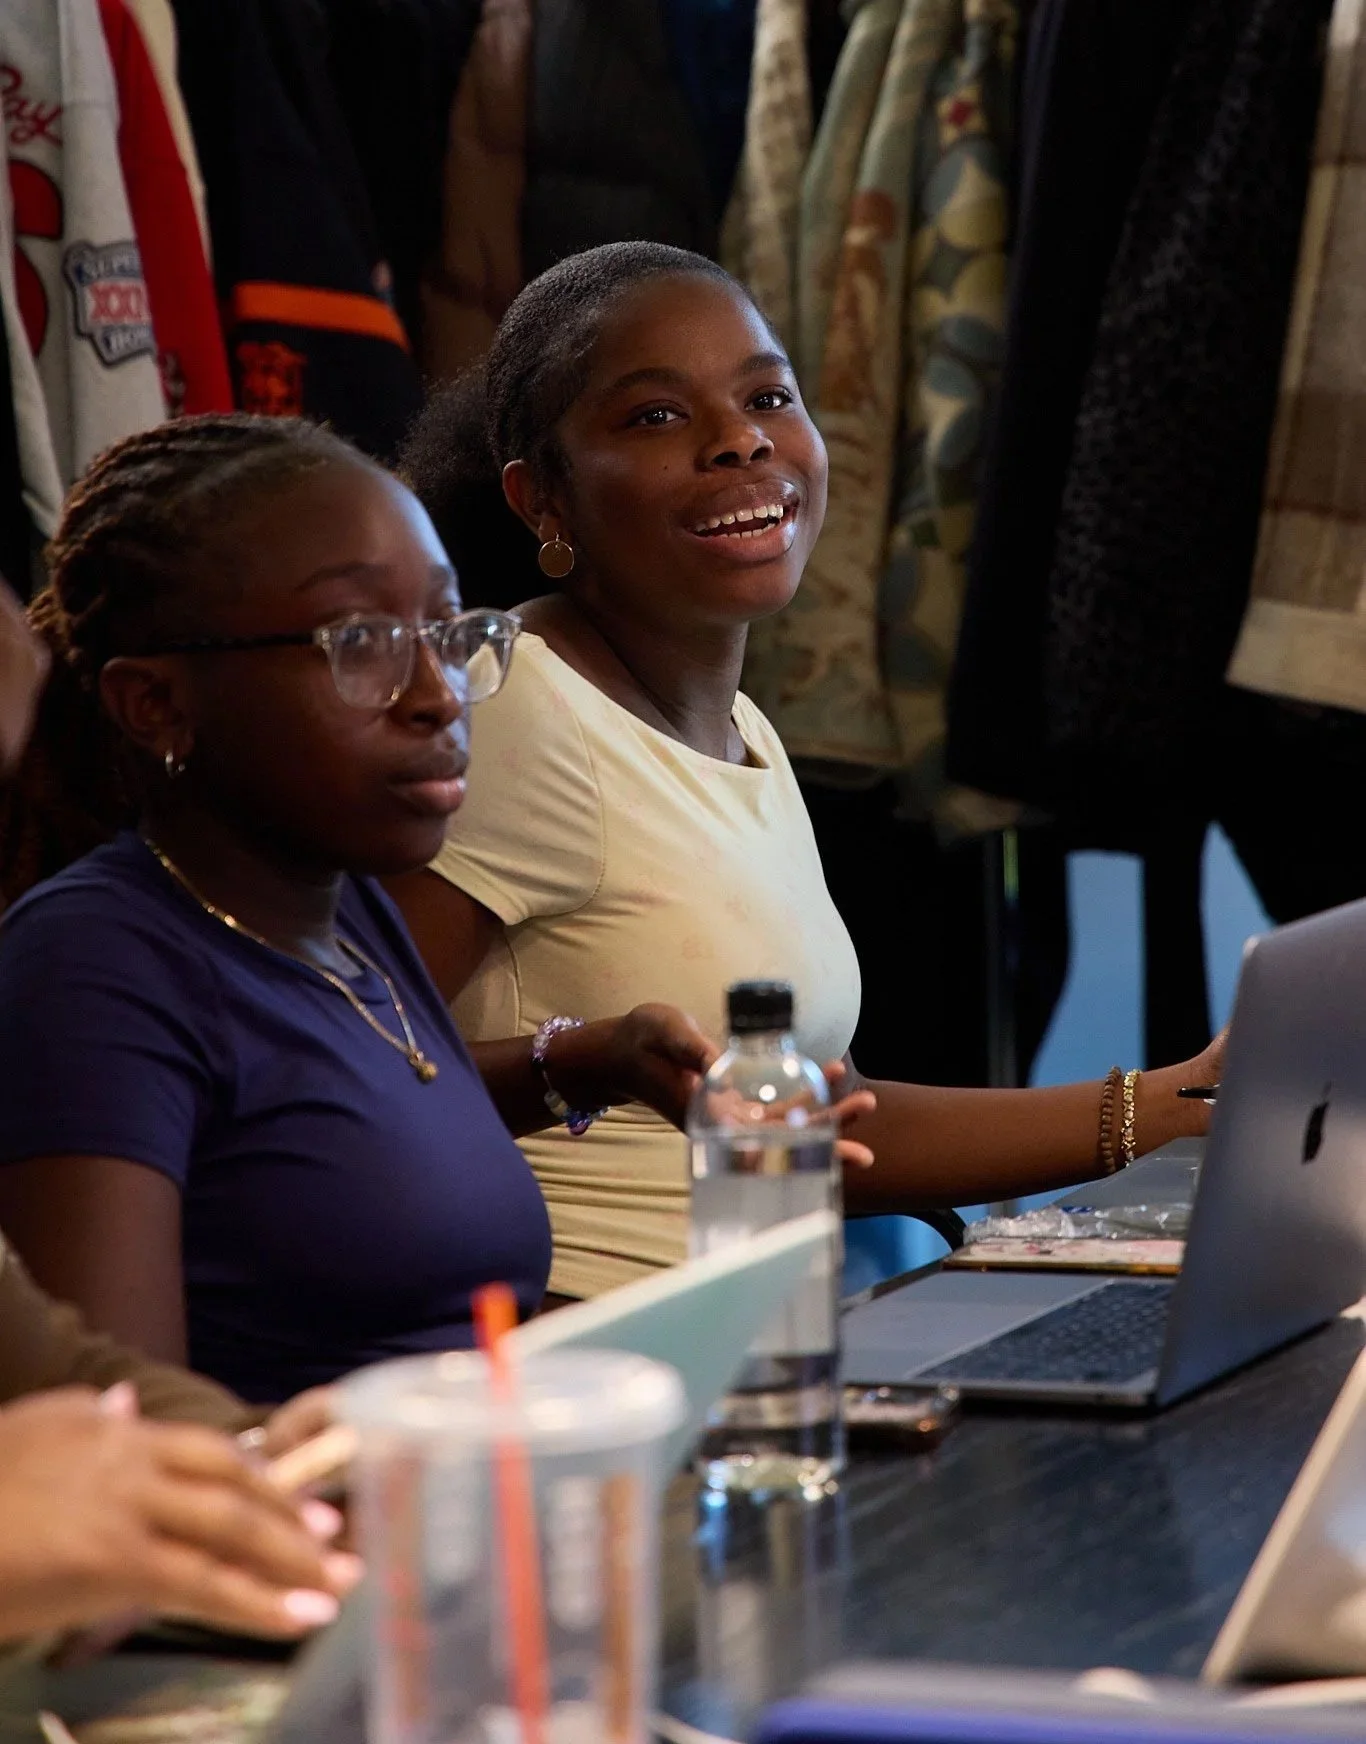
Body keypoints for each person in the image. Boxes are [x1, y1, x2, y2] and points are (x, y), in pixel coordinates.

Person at [392, 241, 1224, 1302]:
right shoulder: (511, 706)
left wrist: (1183, 1098)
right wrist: (583, 1061)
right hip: (602, 1363)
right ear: (541, 498)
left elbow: (822, 1123)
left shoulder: (740, 727)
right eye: (656, 415)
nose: (739, 441)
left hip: (781, 1346)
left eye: (767, 395)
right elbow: (351, 1065)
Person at [0, 413, 737, 1403]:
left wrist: (589, 1059)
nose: (437, 694)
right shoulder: (92, 968)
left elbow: (329, 1130)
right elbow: (120, 1444)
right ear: (157, 705)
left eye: (444, 631)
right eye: (360, 642)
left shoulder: (339, 907)